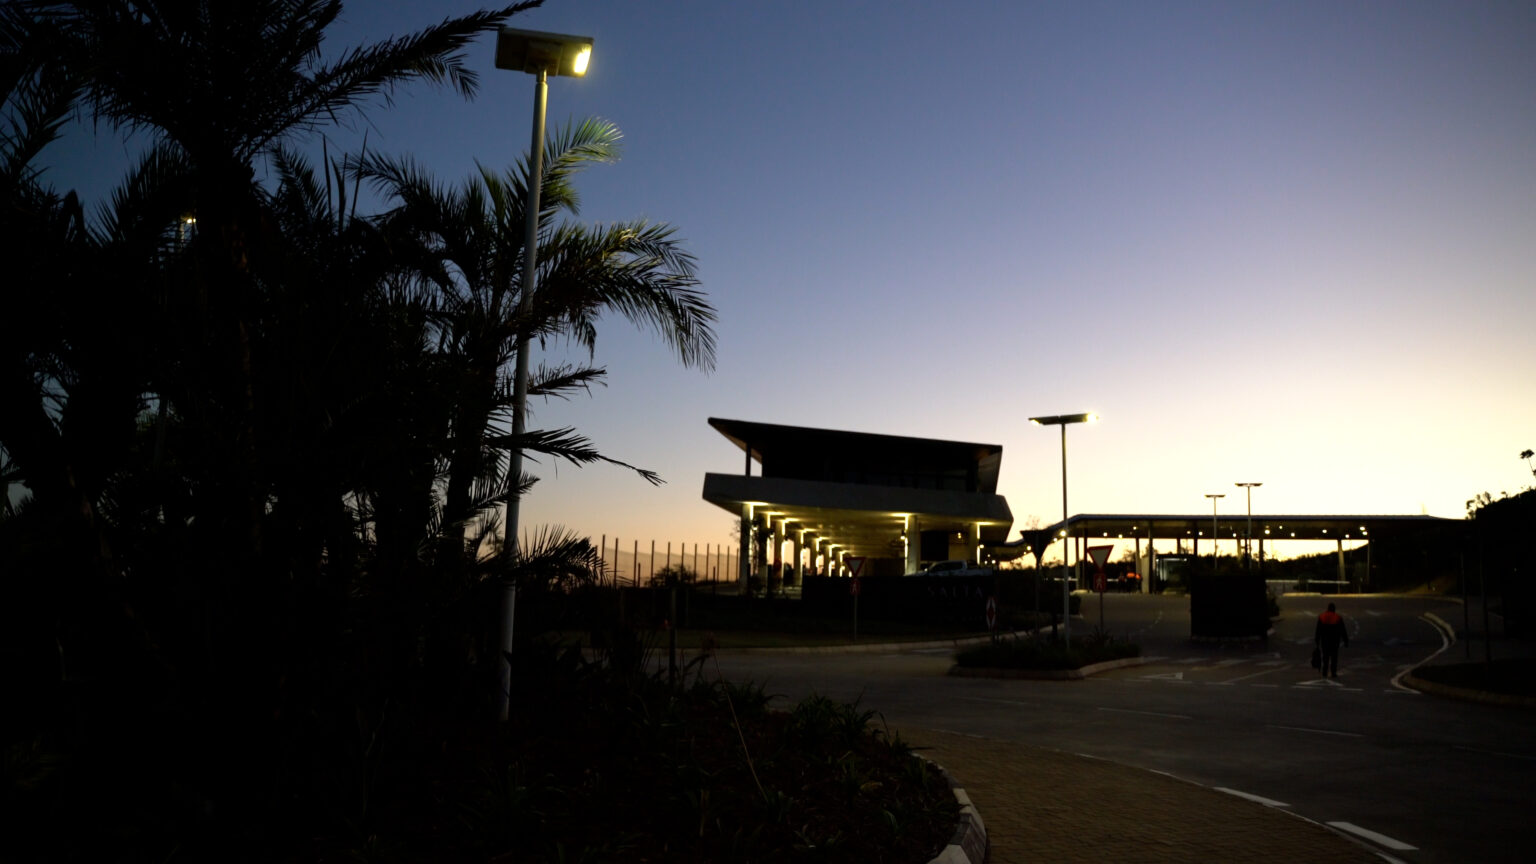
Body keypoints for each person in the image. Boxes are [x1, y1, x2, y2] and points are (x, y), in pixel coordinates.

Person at [1314, 602, 1349, 677]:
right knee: (1334, 657)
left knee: (1325, 657)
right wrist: (1346, 641)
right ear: (1334, 609)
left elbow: (1318, 630)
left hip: (1325, 640)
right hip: (1334, 640)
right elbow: (1343, 630)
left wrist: (1317, 640)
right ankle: (1333, 672)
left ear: (1328, 609)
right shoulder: (1338, 617)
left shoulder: (1322, 617)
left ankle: (1325, 672)